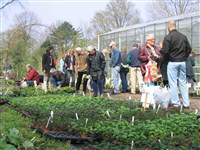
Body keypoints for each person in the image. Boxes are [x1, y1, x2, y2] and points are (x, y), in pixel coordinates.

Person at [162, 20, 192, 109]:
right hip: (182, 62)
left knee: (173, 83)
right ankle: (186, 104)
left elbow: (165, 52)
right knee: (183, 82)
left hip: (173, 62)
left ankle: (176, 103)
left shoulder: (168, 37)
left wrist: (167, 60)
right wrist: (184, 57)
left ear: (169, 26)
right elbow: (189, 49)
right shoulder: (183, 36)